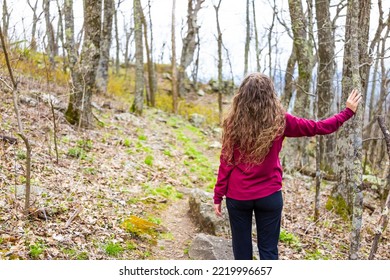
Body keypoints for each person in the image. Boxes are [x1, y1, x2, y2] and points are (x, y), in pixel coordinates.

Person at [213, 72, 362, 260]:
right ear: (270, 96)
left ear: (241, 96)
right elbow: (318, 127)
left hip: (238, 195)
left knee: (241, 252)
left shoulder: (233, 123)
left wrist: (218, 195)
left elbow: (226, 161)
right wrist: (347, 112)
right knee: (268, 251)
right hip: (269, 196)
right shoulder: (281, 120)